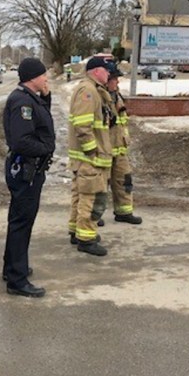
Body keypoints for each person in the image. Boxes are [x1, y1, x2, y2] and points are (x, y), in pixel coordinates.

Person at [2, 57, 55, 297]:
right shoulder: (22, 101)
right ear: (33, 77)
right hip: (26, 170)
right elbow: (21, 141)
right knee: (22, 223)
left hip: (29, 170)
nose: (46, 79)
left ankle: (12, 267)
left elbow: (40, 122)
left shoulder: (31, 99)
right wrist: (47, 147)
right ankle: (17, 280)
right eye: (43, 75)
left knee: (19, 220)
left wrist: (46, 96)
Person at [67, 56, 114, 256]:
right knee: (90, 198)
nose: (109, 74)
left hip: (87, 158)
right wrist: (92, 150)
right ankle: (86, 239)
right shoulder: (88, 91)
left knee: (81, 195)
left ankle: (76, 231)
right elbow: (82, 125)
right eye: (106, 70)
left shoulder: (93, 90)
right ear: (96, 71)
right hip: (89, 159)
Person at [106, 63, 143, 225]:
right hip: (105, 148)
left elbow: (122, 122)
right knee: (100, 184)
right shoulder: (98, 97)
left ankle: (124, 212)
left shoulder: (117, 95)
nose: (117, 83)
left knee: (124, 180)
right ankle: (95, 215)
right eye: (115, 79)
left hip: (119, 148)